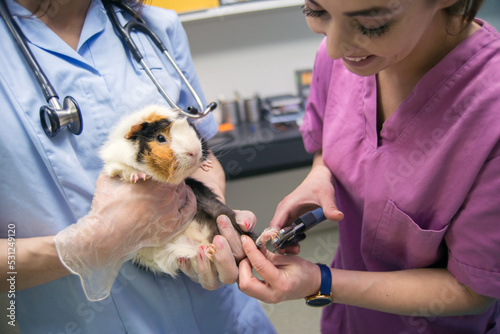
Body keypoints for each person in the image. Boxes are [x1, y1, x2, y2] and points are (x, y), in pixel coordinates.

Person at [0, 0, 276, 333]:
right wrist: (83, 248)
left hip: (222, 317)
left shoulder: (155, 25)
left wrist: (206, 218)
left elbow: (201, 155)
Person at [237, 0, 500, 333]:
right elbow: (327, 140)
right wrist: (321, 174)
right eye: (317, 12)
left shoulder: (490, 111)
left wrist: (323, 281)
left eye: (370, 24)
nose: (333, 48)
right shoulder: (343, 57)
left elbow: (474, 289)